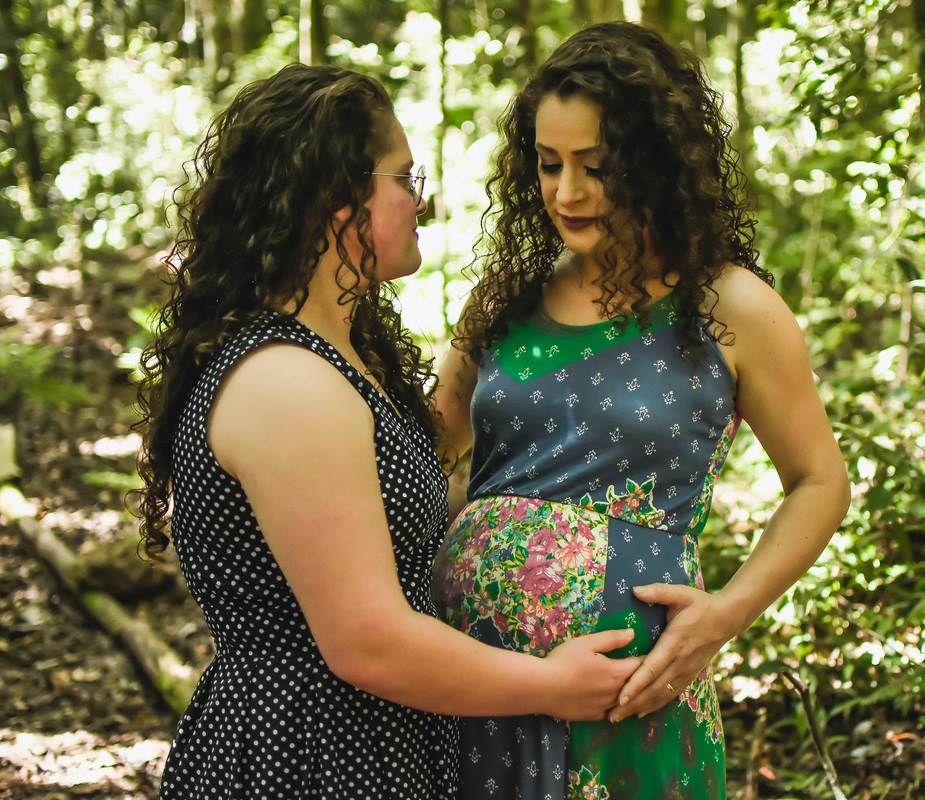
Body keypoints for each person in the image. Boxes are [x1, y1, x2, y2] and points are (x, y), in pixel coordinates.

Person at [133, 63, 642, 800]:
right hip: (308, 758)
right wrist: (550, 686)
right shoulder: (286, 382)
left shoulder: (335, 354)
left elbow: (408, 490)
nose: (423, 203)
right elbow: (368, 642)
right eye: (405, 178)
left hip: (363, 743)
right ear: (340, 200)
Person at [433, 21, 851, 800]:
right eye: (548, 164)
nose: (566, 192)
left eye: (595, 167)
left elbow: (820, 480)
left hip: (631, 693)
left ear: (658, 161)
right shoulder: (506, 297)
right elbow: (425, 450)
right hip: (476, 682)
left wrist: (725, 615)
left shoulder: (733, 307)